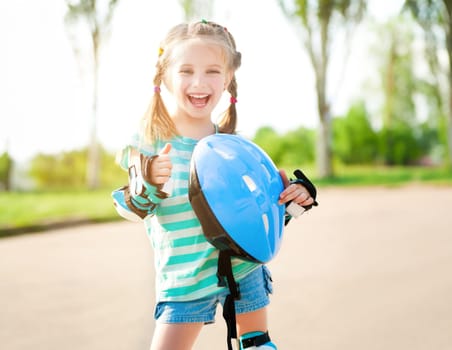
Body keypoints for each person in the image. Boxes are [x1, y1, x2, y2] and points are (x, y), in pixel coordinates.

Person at [113, 20, 317, 350]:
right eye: (186, 71)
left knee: (256, 347)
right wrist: (148, 180)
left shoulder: (234, 149)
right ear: (165, 76)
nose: (199, 82)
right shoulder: (149, 145)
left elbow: (257, 219)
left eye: (212, 71)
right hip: (185, 281)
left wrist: (294, 200)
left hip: (243, 271)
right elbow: (128, 209)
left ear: (228, 79)